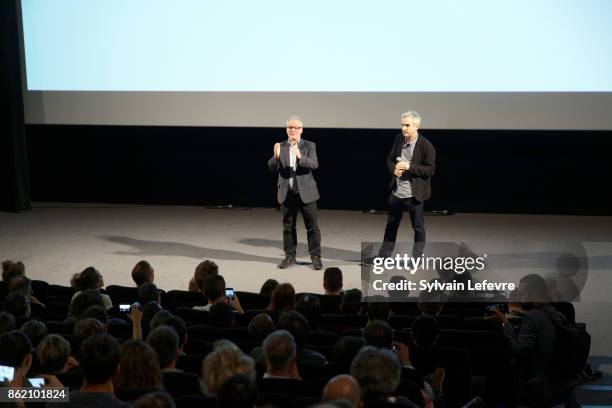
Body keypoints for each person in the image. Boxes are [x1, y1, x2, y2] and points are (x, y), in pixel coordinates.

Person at [378, 111, 436, 260]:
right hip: (397, 192)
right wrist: (394, 169)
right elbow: (389, 160)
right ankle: (384, 256)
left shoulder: (426, 146)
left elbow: (430, 170)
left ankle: (416, 259)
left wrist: (409, 166)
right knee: (391, 225)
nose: (403, 128)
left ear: (416, 126)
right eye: (402, 125)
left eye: (407, 125)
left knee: (418, 228)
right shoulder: (399, 139)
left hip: (414, 194)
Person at [268, 115, 322, 270]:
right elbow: (271, 166)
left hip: (307, 193)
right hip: (288, 192)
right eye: (290, 127)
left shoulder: (309, 145)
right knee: (288, 227)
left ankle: (316, 256)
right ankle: (289, 256)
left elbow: (314, 164)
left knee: (312, 227)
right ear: (286, 130)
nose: (292, 130)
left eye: (295, 127)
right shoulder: (281, 145)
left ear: (301, 130)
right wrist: (276, 157)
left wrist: (300, 156)